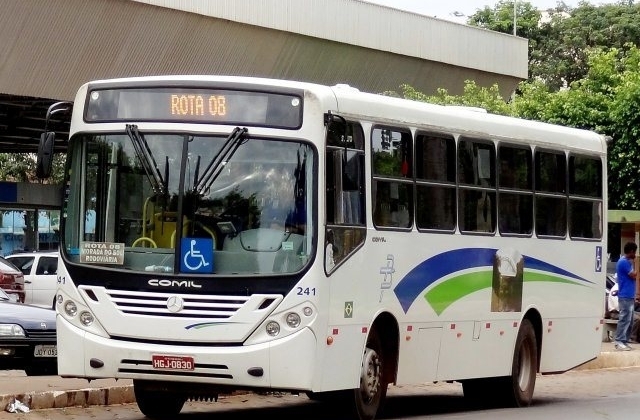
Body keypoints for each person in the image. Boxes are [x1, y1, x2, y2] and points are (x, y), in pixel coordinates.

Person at [614, 242, 638, 350]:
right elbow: (633, 275)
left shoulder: (627, 262)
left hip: (630, 295)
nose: (636, 254)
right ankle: (619, 341)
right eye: (635, 252)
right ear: (632, 251)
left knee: (630, 320)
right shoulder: (623, 262)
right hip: (625, 295)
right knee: (624, 319)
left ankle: (624, 340)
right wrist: (636, 265)